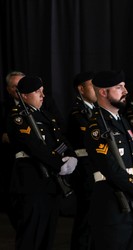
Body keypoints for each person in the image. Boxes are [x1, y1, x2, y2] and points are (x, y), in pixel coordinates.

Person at [84, 70, 133, 250]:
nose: (125, 91)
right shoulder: (96, 126)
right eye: (118, 88)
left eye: (124, 86)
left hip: (131, 201)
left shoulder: (122, 121)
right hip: (112, 205)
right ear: (103, 92)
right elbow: (111, 169)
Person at [8, 75, 77, 250]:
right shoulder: (19, 117)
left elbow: (60, 139)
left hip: (50, 182)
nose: (42, 95)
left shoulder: (46, 115)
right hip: (32, 181)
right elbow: (33, 145)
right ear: (24, 96)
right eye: (37, 92)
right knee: (31, 236)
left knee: (48, 234)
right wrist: (58, 162)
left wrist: (70, 155)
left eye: (42, 91)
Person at [67, 71, 96, 250]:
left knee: (93, 217)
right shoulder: (78, 112)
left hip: (93, 168)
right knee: (85, 218)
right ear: (81, 89)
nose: (97, 90)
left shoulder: (94, 109)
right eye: (92, 86)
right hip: (84, 170)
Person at [0, 71, 25, 229]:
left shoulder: (44, 103)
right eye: (15, 87)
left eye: (21, 86)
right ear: (9, 90)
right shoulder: (4, 108)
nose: (19, 90)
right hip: (10, 160)